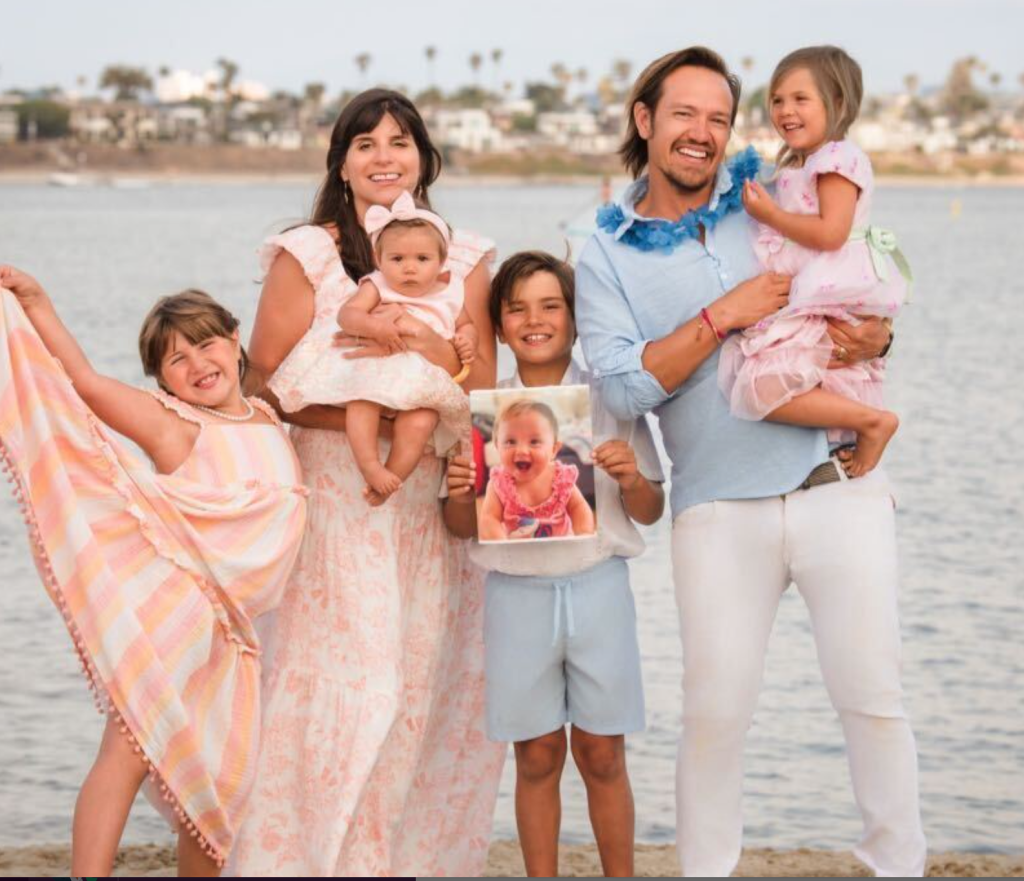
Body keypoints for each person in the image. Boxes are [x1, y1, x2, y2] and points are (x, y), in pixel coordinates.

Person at [575, 47, 926, 877]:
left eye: (719, 117)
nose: (703, 133)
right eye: (685, 113)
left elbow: (848, 279)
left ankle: (898, 868)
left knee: (873, 698)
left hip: (838, 483)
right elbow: (622, 388)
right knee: (714, 714)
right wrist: (722, 313)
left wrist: (881, 333)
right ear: (645, 121)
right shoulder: (602, 252)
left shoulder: (771, 200)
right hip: (716, 509)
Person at [226, 89, 505, 877]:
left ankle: (390, 859)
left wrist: (423, 359)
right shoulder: (306, 252)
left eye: (400, 141)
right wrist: (367, 421)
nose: (385, 157)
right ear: (341, 163)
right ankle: (296, 857)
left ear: (425, 156)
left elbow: (480, 381)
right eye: (366, 144)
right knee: (345, 679)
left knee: (416, 681)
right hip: (334, 499)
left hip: (420, 508)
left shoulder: (466, 258)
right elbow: (264, 382)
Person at [0, 268, 307, 876]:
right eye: (175, 359)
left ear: (235, 338)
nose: (196, 363)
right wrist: (37, 301)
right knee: (130, 747)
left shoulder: (268, 416)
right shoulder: (175, 424)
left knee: (219, 774)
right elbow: (82, 382)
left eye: (206, 343)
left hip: (232, 631)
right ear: (160, 383)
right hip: (181, 604)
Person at [444, 251, 665, 877]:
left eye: (550, 306)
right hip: (516, 596)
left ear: (575, 317)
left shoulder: (612, 398)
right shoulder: (480, 410)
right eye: (516, 308)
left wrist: (629, 476)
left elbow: (650, 510)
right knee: (536, 754)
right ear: (499, 323)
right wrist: (461, 492)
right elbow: (462, 527)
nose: (534, 320)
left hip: (599, 589)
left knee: (602, 752)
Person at [718, 45, 909, 477]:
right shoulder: (802, 163)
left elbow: (830, 233)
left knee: (761, 384)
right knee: (813, 373)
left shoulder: (838, 160)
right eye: (778, 100)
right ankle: (850, 434)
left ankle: (873, 423)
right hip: (813, 286)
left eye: (800, 99)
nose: (786, 110)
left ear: (838, 102)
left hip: (829, 284)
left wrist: (770, 216)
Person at [272, 190, 478, 504]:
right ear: (379, 260)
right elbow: (348, 315)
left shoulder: (450, 291)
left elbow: (466, 325)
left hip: (421, 383)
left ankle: (392, 477)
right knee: (362, 404)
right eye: (397, 259)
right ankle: (370, 466)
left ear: (441, 262)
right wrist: (374, 326)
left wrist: (467, 340)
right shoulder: (377, 285)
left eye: (422, 259)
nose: (409, 268)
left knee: (421, 421)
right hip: (375, 371)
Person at [478, 399, 594, 541]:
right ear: (497, 446)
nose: (521, 450)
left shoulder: (561, 479)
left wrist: (584, 535)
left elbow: (578, 508)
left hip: (560, 553)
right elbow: (489, 518)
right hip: (519, 556)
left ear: (553, 450)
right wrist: (501, 544)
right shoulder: (499, 484)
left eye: (534, 442)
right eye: (510, 442)